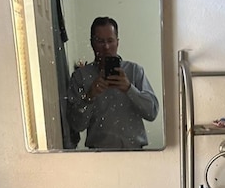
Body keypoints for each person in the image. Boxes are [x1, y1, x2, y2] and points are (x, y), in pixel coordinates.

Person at [66, 16, 159, 149]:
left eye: (110, 40)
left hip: (134, 155)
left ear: (117, 42)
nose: (106, 47)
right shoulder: (81, 77)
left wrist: (129, 88)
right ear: (92, 43)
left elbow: (152, 113)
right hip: (98, 156)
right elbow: (77, 125)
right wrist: (89, 96)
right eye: (100, 41)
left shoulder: (134, 71)